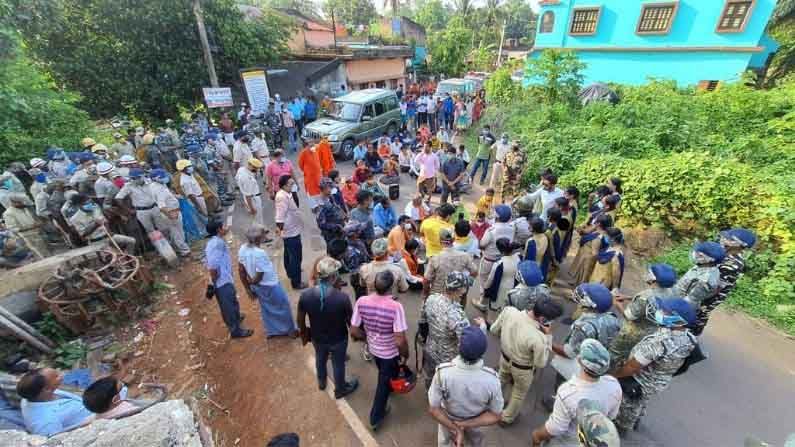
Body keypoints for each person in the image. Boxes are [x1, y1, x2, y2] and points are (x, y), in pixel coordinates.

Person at [612, 297, 697, 433]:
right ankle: (637, 418)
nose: (661, 312)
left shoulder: (659, 342)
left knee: (628, 404)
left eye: (666, 312)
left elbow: (632, 367)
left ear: (678, 320)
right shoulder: (690, 338)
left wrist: (615, 375)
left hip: (640, 380)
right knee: (642, 401)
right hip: (660, 380)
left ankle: (621, 427)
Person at [531, 340, 622, 446]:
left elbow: (555, 428)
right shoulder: (613, 384)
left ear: (579, 360)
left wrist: (537, 435)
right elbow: (611, 416)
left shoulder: (568, 392)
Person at [489, 295, 562, 426]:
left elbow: (494, 330)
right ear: (542, 319)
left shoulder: (509, 311)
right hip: (522, 369)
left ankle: (493, 405)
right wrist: (548, 337)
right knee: (518, 393)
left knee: (501, 379)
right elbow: (540, 363)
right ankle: (506, 418)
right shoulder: (539, 338)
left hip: (504, 357)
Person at [350, 271, 410, 430]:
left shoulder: (362, 301)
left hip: (374, 349)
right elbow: (400, 339)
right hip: (390, 352)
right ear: (392, 287)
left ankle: (390, 385)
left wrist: (368, 338)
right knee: (383, 381)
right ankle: (375, 417)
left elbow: (354, 331)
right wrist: (406, 354)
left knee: (386, 371)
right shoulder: (396, 307)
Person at [428, 324, 504, 447]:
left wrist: (456, 428)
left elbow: (434, 409)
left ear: (459, 346)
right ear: (483, 351)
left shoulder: (442, 373)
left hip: (447, 419)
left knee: (444, 442)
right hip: (477, 422)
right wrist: (466, 425)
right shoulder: (492, 380)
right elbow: (496, 415)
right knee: (476, 442)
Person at [297, 257, 359, 399]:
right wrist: (356, 335)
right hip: (338, 338)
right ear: (333, 276)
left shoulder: (305, 296)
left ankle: (321, 381)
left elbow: (300, 319)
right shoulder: (342, 298)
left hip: (317, 337)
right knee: (338, 364)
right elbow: (351, 322)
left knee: (320, 357)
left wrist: (304, 334)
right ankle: (340, 389)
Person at [419, 271, 483, 387]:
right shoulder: (458, 315)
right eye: (465, 287)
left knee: (430, 377)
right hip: (447, 359)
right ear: (460, 290)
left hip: (430, 348)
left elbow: (422, 322)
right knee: (445, 385)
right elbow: (467, 344)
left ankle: (430, 392)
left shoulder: (431, 299)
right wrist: (482, 328)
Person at [549, 283, 621, 384]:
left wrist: (548, 342)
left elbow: (569, 353)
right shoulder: (612, 318)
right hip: (596, 360)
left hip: (580, 363)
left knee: (564, 383)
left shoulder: (583, 327)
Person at [610, 263, 677, 369]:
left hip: (633, 333)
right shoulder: (671, 292)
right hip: (652, 331)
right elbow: (651, 301)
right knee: (631, 355)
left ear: (653, 278)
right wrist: (629, 297)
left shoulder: (645, 297)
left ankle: (608, 373)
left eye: (649, 273)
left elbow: (629, 315)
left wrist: (617, 304)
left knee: (615, 353)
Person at [693, 228, 756, 335]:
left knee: (696, 317)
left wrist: (694, 297)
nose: (723, 239)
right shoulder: (724, 253)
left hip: (708, 297)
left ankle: (690, 340)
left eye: (728, 238)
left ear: (739, 244)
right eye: (725, 236)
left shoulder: (732, 263)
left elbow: (715, 287)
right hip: (703, 291)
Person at [238, 225, 299, 338]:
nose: (265, 237)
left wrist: (248, 288)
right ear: (258, 239)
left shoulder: (242, 249)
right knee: (283, 306)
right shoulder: (259, 253)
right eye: (263, 235)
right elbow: (259, 276)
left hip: (258, 287)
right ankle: (290, 330)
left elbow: (241, 270)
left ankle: (273, 331)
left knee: (267, 308)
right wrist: (252, 283)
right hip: (269, 284)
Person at [205, 220, 253, 338]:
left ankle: (236, 317)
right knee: (228, 306)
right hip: (221, 282)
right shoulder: (216, 244)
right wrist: (212, 283)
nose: (226, 227)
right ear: (219, 230)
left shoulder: (216, 241)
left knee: (232, 301)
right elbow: (213, 267)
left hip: (225, 279)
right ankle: (236, 330)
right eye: (224, 226)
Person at [17, 367, 93, 436]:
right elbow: (56, 438)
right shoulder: (47, 423)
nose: (62, 375)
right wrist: (89, 422)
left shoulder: (31, 396)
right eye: (56, 376)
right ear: (46, 390)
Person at [475, 205, 515, 311]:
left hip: (489, 260)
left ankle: (482, 302)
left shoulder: (491, 230)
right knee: (496, 280)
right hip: (502, 260)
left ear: (497, 216)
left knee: (484, 281)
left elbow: (482, 244)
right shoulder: (512, 228)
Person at [69, 194, 136, 252]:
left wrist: (109, 230)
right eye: (85, 203)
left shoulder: (95, 208)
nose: (89, 204)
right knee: (113, 257)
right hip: (96, 241)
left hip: (108, 236)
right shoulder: (75, 219)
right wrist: (95, 225)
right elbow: (83, 234)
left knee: (131, 241)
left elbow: (105, 221)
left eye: (89, 201)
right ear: (79, 205)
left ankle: (128, 257)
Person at [424, 228, 478, 298]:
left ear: (440, 241)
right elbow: (475, 272)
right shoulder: (465, 256)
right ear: (453, 240)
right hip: (455, 296)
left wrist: (425, 294)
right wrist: (464, 285)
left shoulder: (435, 258)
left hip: (437, 295)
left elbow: (426, 280)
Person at [274, 175, 307, 290]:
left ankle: (290, 272)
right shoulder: (281, 197)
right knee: (296, 257)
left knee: (289, 254)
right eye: (291, 184)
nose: (294, 186)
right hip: (290, 232)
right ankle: (296, 282)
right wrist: (281, 232)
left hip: (292, 229)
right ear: (284, 186)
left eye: (294, 184)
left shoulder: (288, 194)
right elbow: (279, 217)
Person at [149, 169, 191, 257]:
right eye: (162, 176)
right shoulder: (158, 189)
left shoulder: (158, 185)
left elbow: (166, 195)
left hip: (172, 211)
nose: (166, 177)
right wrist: (170, 215)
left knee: (177, 232)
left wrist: (175, 196)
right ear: (157, 178)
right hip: (171, 212)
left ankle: (182, 248)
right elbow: (161, 206)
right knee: (177, 233)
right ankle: (185, 251)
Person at [673, 241, 725, 308]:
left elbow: (690, 300)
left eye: (700, 255)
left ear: (710, 259)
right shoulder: (702, 265)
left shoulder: (705, 280)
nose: (695, 255)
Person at [570, 214, 613, 286]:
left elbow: (595, 253)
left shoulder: (598, 238)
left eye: (596, 221)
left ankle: (578, 291)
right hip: (586, 256)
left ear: (599, 224)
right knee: (581, 275)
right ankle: (576, 284)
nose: (594, 223)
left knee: (584, 278)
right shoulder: (600, 233)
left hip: (589, 260)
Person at [115, 168, 159, 233]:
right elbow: (118, 198)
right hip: (142, 212)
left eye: (138, 177)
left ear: (143, 176)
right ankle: (157, 243)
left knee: (163, 227)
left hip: (155, 207)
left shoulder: (150, 181)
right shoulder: (129, 186)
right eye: (133, 178)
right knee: (151, 231)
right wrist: (129, 210)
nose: (136, 180)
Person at [483, 238, 521, 312]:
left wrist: (486, 287)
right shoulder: (518, 258)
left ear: (500, 250)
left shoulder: (499, 263)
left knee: (496, 307)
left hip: (500, 288)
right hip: (513, 286)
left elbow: (491, 279)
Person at [316, 178, 346, 243]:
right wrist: (337, 226)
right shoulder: (321, 204)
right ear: (324, 189)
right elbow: (321, 224)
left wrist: (344, 216)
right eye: (330, 188)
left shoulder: (330, 197)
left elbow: (336, 208)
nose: (331, 189)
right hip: (331, 234)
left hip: (339, 231)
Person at [237, 158, 265, 226]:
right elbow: (248, 195)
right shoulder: (246, 178)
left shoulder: (242, 169)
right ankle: (260, 233)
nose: (257, 170)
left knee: (257, 218)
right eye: (256, 168)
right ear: (251, 166)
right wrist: (251, 208)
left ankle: (260, 230)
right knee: (257, 218)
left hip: (251, 196)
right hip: (253, 199)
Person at [298, 143, 323, 210]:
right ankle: (314, 206)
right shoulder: (304, 153)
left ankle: (320, 204)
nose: (312, 147)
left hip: (318, 175)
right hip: (309, 177)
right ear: (307, 146)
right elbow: (300, 164)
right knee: (310, 191)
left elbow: (318, 161)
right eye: (311, 146)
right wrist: (307, 171)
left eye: (313, 145)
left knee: (319, 190)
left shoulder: (315, 150)